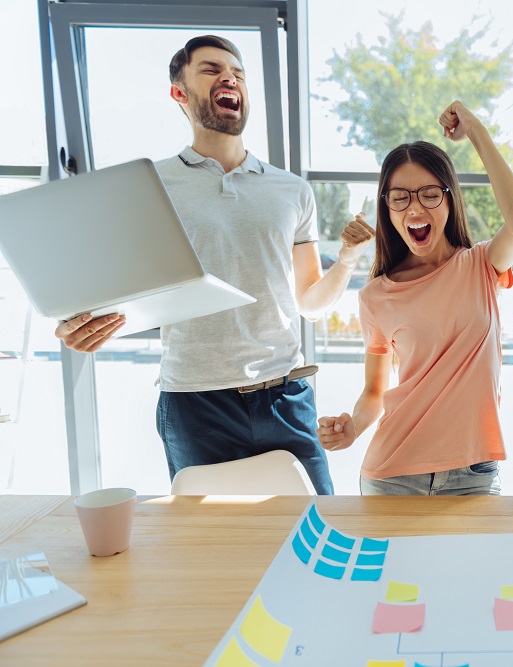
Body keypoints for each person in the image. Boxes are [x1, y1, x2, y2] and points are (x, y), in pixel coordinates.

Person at [54, 35, 374, 494]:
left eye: (238, 73)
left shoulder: (291, 191)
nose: (230, 77)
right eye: (210, 70)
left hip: (285, 397)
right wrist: (75, 323)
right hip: (194, 403)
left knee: (317, 531)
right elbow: (102, 283)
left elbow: (310, 303)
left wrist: (346, 261)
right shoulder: (150, 185)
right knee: (205, 551)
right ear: (179, 93)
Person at [316, 101, 513, 496]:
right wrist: (353, 425)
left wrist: (476, 131)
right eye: (400, 197)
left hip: (473, 473)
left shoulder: (481, 265)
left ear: (450, 200)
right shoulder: (375, 297)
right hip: (392, 473)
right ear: (388, 209)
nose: (415, 207)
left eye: (430, 194)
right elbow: (375, 392)